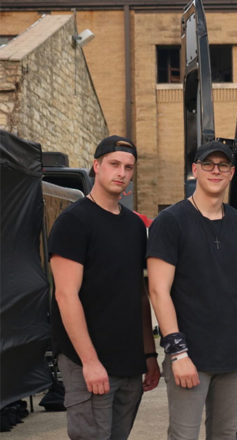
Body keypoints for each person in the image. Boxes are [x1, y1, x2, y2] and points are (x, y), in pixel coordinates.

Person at [147, 141, 237, 439]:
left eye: (223, 165)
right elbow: (158, 290)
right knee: (184, 435)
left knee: (225, 434)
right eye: (208, 164)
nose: (216, 171)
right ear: (195, 170)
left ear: (231, 173)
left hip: (235, 357)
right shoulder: (170, 222)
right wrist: (177, 353)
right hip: (191, 355)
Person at [48, 135, 160, 439]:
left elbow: (138, 292)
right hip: (87, 362)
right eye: (114, 164)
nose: (121, 172)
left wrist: (149, 355)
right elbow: (65, 295)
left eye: (128, 167)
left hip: (129, 361)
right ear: (96, 166)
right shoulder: (74, 221)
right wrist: (90, 361)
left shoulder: (135, 226)